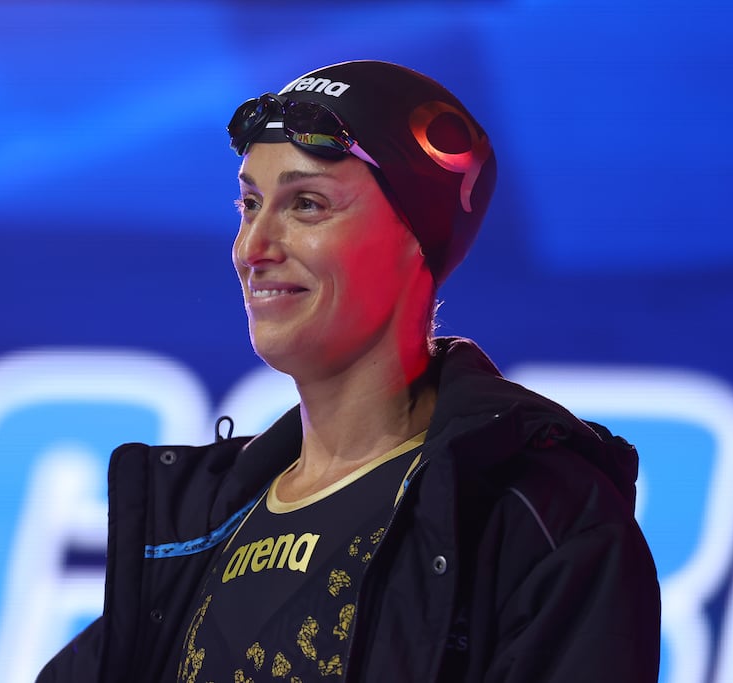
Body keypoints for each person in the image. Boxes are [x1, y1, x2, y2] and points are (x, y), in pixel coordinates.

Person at [36, 60, 660, 682]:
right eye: (250, 203)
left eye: (306, 204)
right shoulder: (199, 525)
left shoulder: (538, 520)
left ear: (417, 236)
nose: (252, 247)